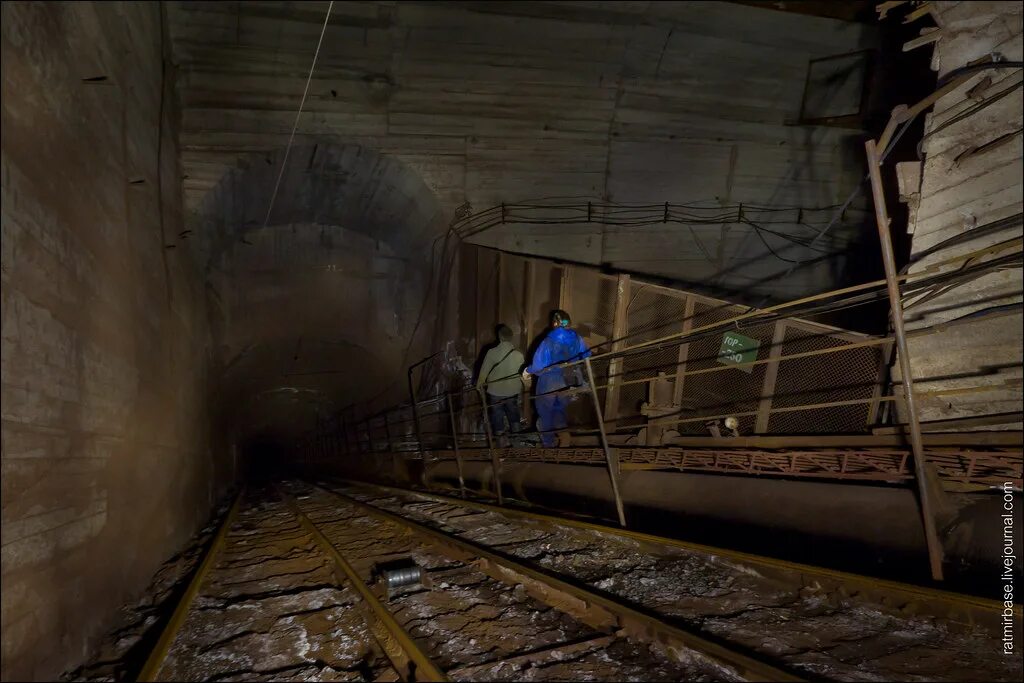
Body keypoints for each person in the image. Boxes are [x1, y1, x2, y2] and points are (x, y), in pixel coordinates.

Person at [522, 310, 591, 447]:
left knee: (546, 413)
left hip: (548, 383)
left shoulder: (548, 341)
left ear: (554, 323)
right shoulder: (577, 338)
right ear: (568, 323)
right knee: (559, 409)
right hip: (568, 381)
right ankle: (564, 438)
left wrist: (527, 371)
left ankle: (548, 444)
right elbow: (586, 355)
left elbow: (537, 365)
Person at [475, 324, 526, 438]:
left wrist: (479, 385)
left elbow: (484, 371)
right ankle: (516, 438)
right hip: (512, 391)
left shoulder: (491, 352)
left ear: (499, 336)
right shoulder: (519, 355)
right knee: (513, 413)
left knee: (497, 415)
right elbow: (523, 374)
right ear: (511, 337)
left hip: (495, 390)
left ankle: (500, 442)